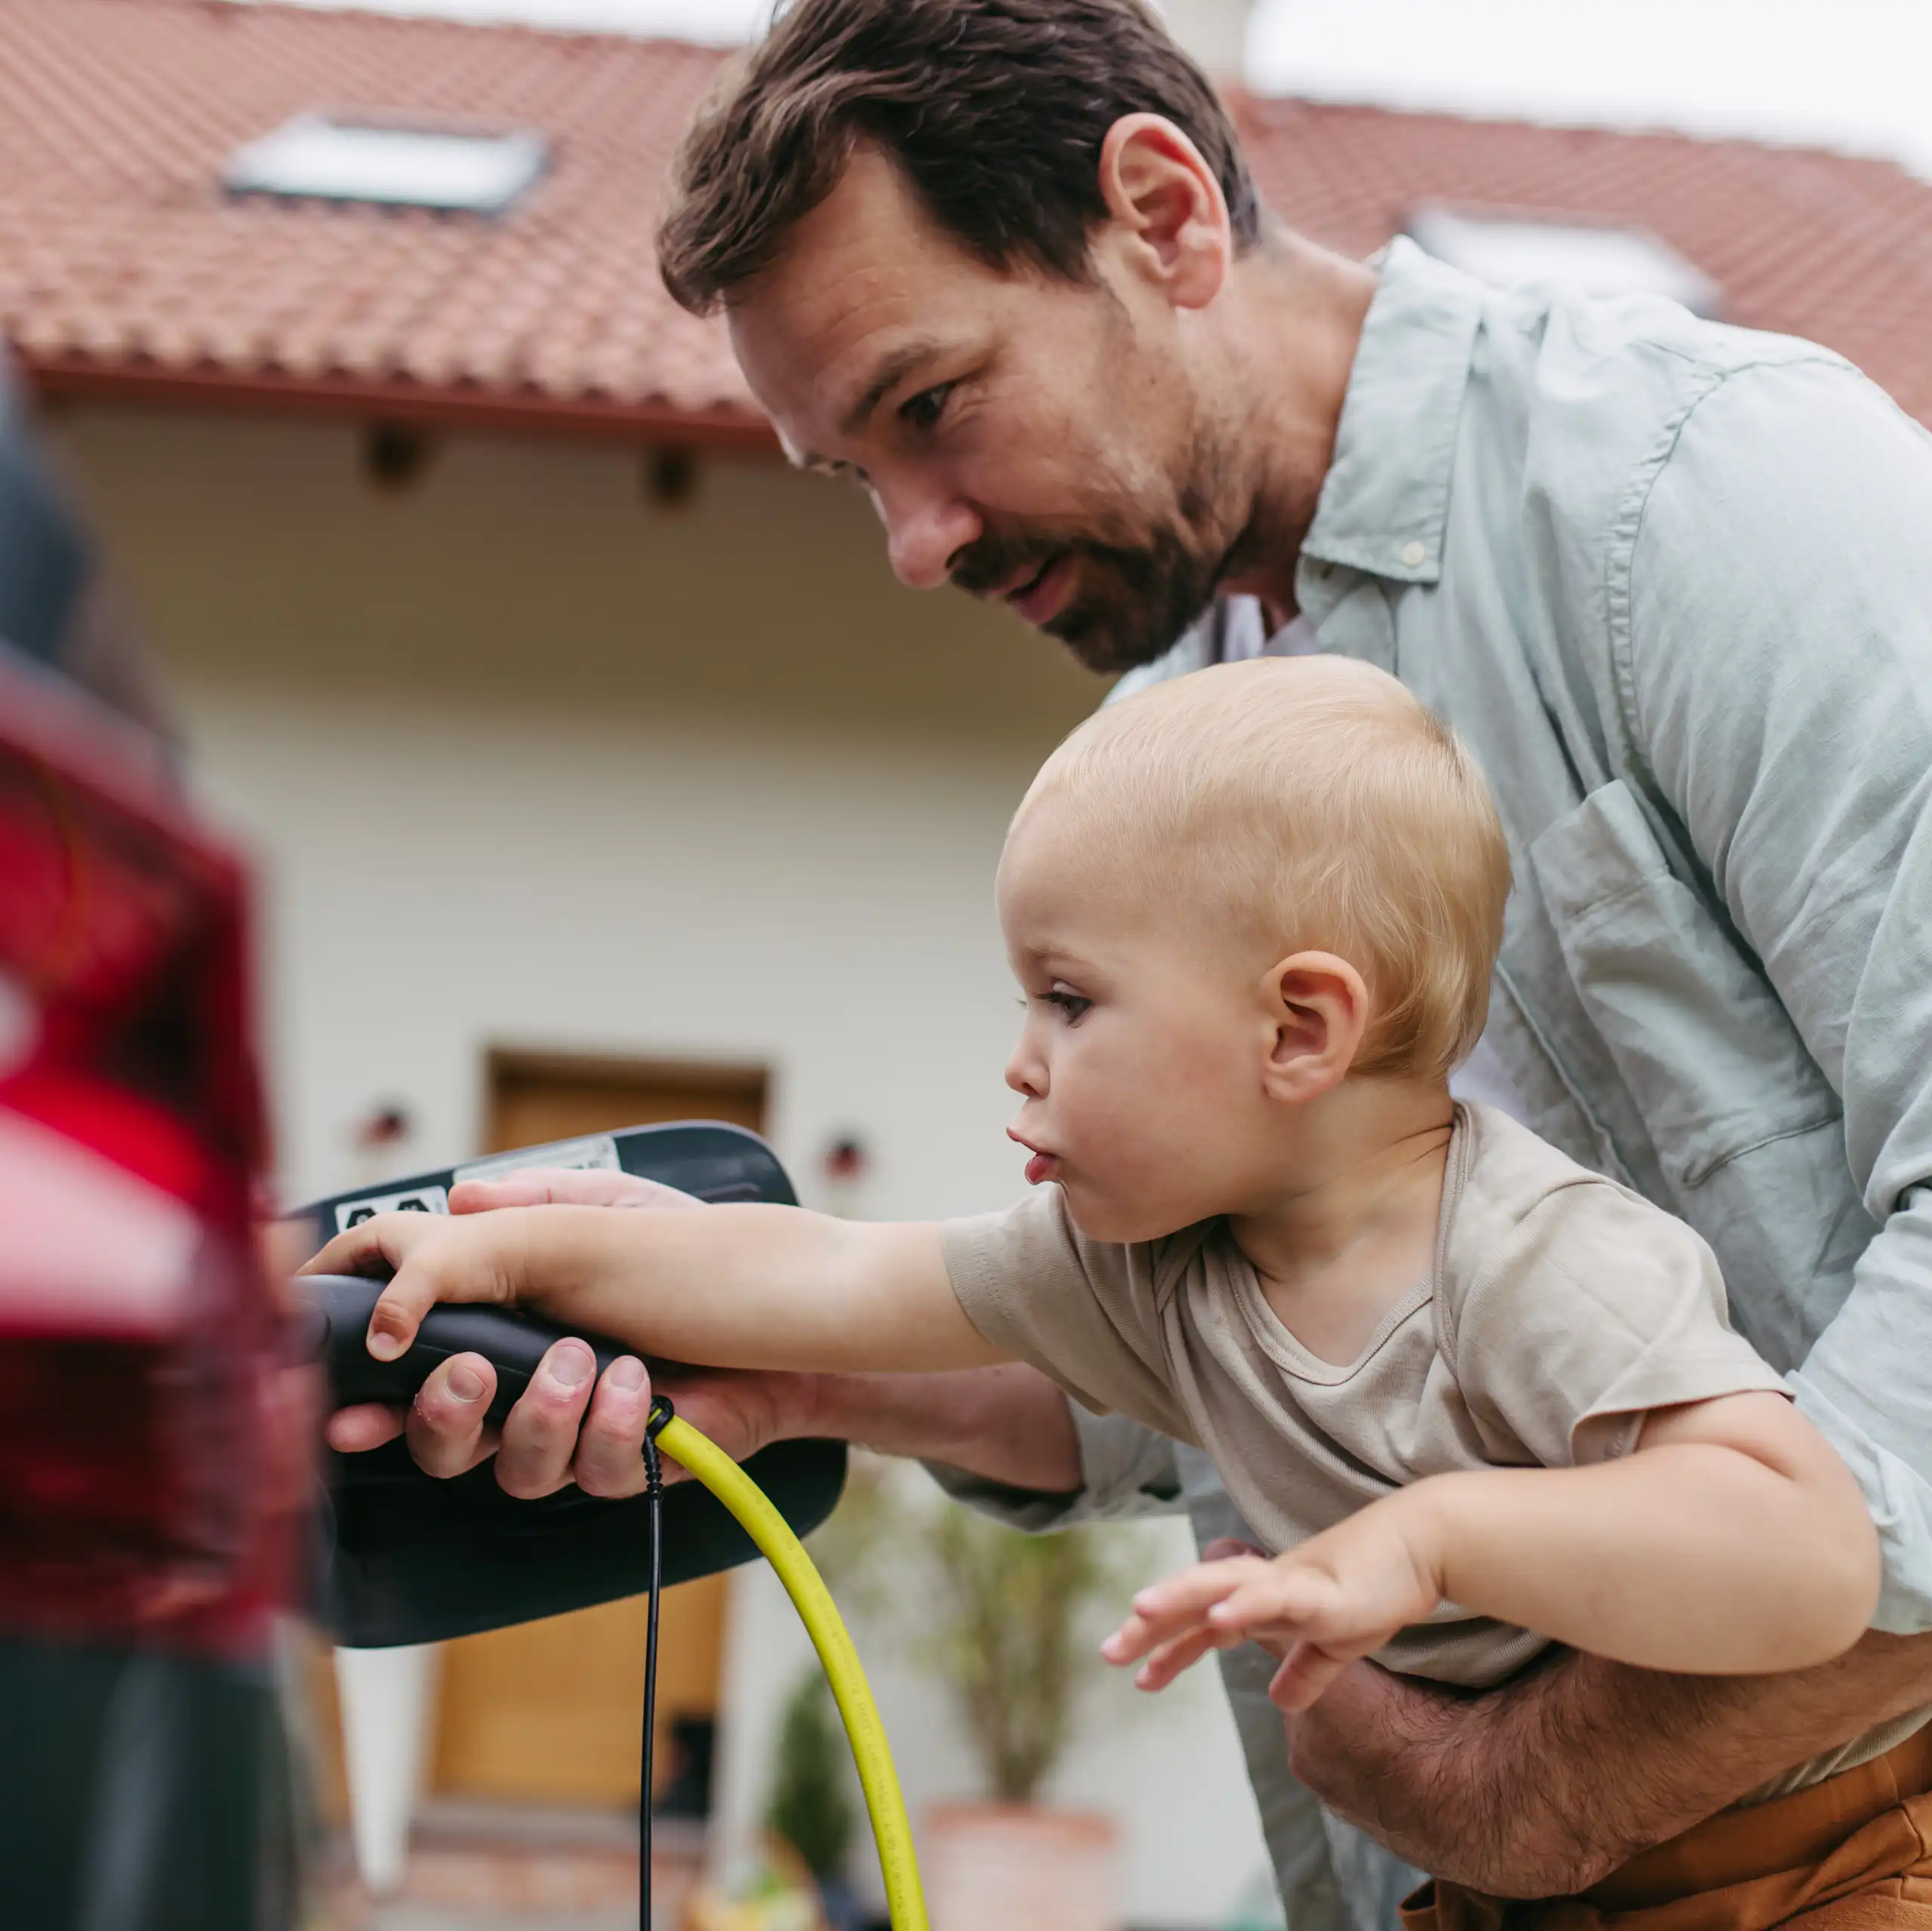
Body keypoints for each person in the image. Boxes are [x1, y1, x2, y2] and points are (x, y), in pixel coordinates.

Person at [326, 1, 1932, 1923]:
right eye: (853, 477)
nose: (912, 548)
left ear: (1160, 216)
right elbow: (1203, 1347)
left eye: (929, 408)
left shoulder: (1697, 499)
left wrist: (1548, 1782)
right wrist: (801, 1379)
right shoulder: (1191, 723)